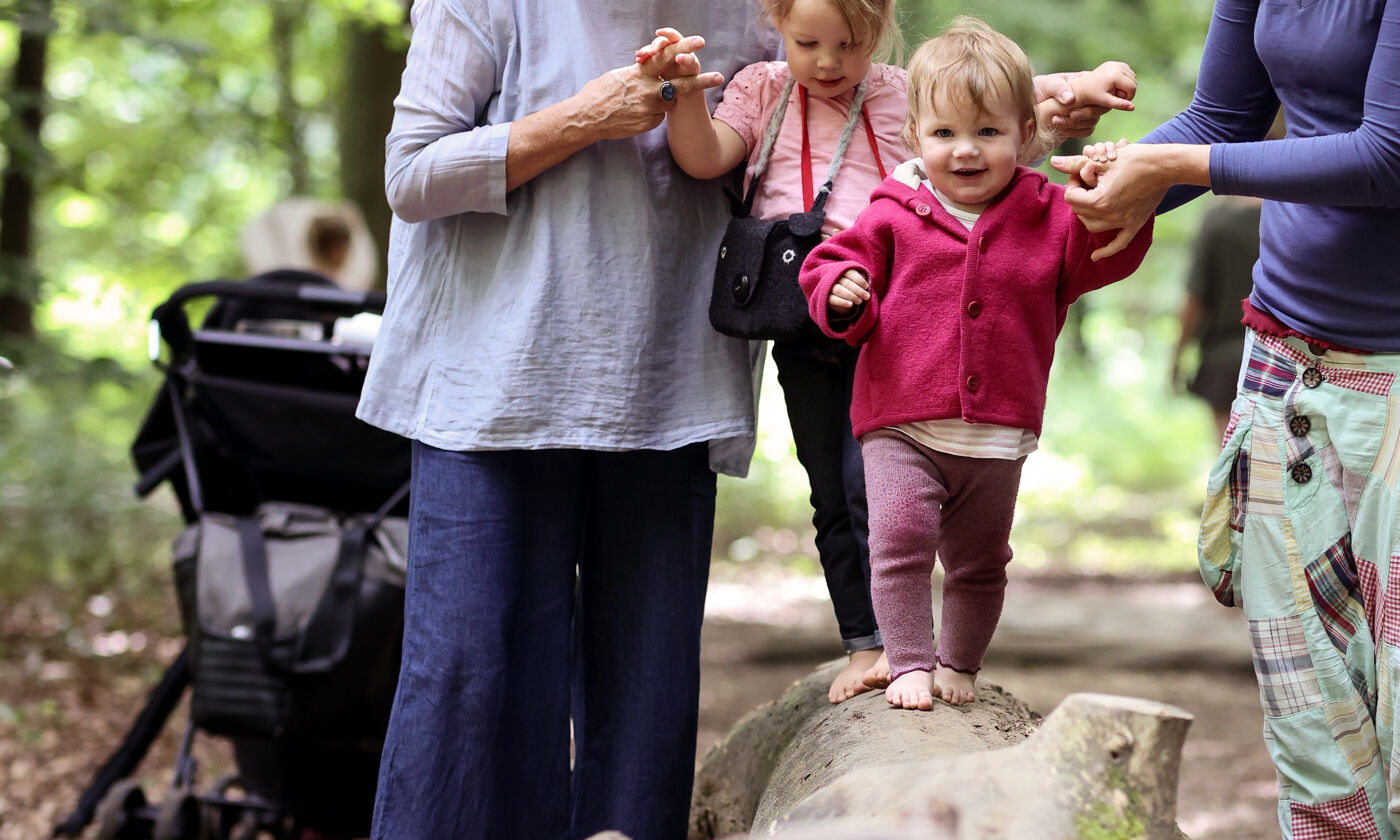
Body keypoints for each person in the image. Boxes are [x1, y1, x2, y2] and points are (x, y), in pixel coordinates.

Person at [361, 1, 1136, 836]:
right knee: (470, 688)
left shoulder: (751, 9)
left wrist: (1043, 100)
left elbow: (876, 82)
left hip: (665, 392)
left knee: (642, 704)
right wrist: (583, 119)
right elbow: (410, 176)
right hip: (488, 395)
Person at [1056, 1, 1400, 836]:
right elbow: (1222, 117)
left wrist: (1169, 166)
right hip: (1285, 369)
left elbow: (1390, 157)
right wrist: (1084, 185)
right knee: (1316, 741)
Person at [798, 17, 1154, 711]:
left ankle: (959, 662)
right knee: (899, 539)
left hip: (998, 432)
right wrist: (841, 296)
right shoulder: (893, 211)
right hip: (900, 421)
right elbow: (833, 266)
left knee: (980, 562)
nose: (965, 151)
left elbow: (1106, 253)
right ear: (916, 137)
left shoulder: (1049, 213)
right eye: (945, 134)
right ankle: (906, 664)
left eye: (987, 133)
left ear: (1026, 134)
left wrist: (1109, 192)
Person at [1174, 194, 1261, 439]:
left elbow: (1195, 299)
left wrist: (1176, 358)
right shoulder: (1291, 213)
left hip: (1223, 358)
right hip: (1279, 356)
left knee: (1229, 457)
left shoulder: (1218, 220)